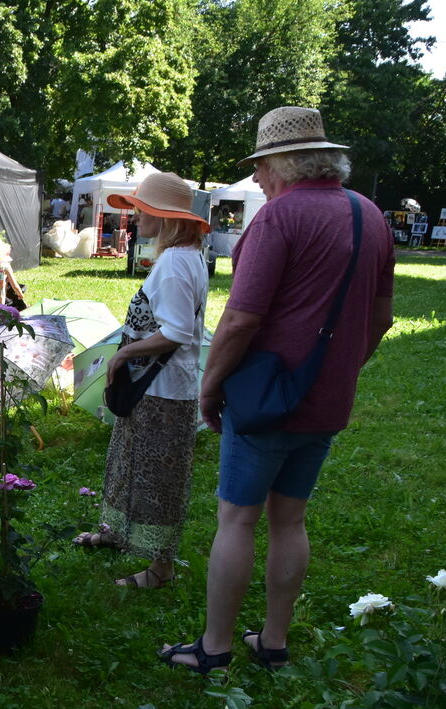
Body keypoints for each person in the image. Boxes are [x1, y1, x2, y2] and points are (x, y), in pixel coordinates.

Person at [159, 106, 395, 674]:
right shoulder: (370, 215)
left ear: (285, 164)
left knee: (237, 520)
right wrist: (339, 369)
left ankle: (215, 647)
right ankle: (273, 641)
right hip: (326, 402)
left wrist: (210, 387)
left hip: (264, 400)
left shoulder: (279, 218)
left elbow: (241, 320)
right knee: (290, 520)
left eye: (261, 165)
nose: (257, 177)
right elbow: (382, 318)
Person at [70, 172, 211, 589]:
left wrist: (124, 354)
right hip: (153, 386)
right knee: (130, 463)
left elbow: (177, 332)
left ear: (164, 216)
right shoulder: (188, 256)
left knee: (157, 480)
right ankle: (117, 533)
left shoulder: (174, 263)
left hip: (161, 388)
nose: (134, 216)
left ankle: (160, 569)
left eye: (141, 208)